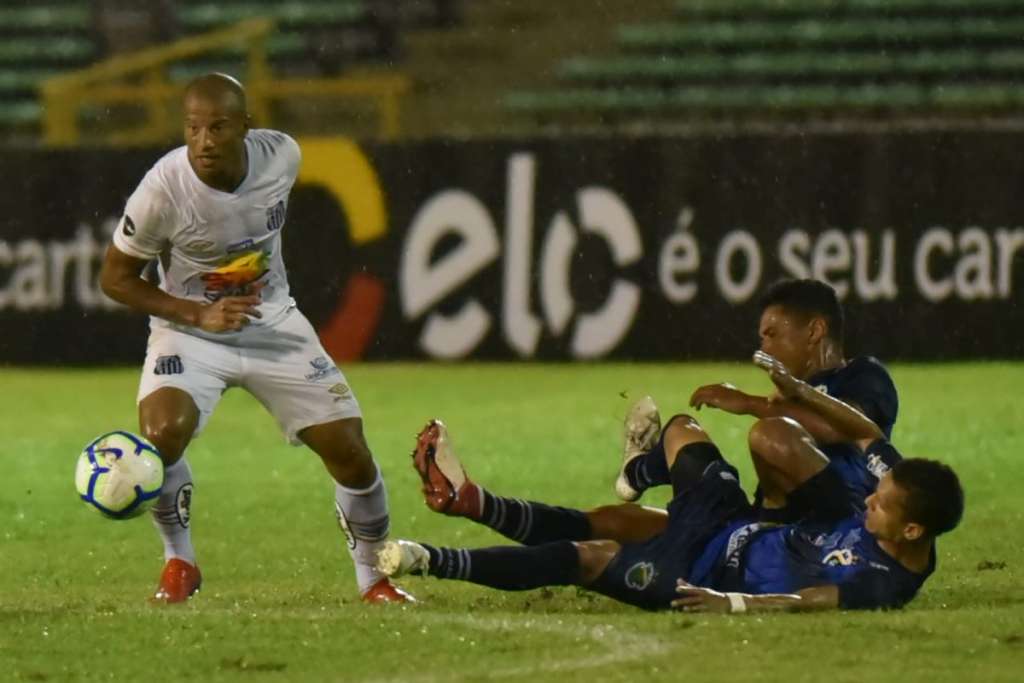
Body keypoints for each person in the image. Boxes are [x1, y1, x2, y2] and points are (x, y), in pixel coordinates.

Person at [98, 73, 411, 604]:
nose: (204, 141)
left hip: (273, 324)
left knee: (352, 454)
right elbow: (115, 279)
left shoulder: (282, 157)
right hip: (191, 331)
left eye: (218, 126)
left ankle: (374, 578)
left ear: (247, 125)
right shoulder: (162, 189)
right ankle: (179, 563)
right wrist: (198, 315)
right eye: (193, 128)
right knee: (160, 435)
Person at [377, 357, 962, 613]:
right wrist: (801, 392)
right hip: (736, 525)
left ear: (910, 528)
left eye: (880, 506)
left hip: (701, 572)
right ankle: (637, 470)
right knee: (682, 431)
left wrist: (728, 604)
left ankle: (433, 558)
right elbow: (864, 436)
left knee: (597, 549)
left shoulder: (882, 585)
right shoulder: (903, 498)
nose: (869, 502)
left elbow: (807, 602)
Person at [687, 278, 899, 516]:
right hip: (780, 523)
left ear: (814, 331)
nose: (764, 349)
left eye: (772, 334)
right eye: (762, 339)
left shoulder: (864, 374)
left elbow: (850, 428)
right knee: (682, 433)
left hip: (846, 519)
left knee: (770, 434)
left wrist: (751, 403)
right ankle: (638, 473)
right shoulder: (782, 397)